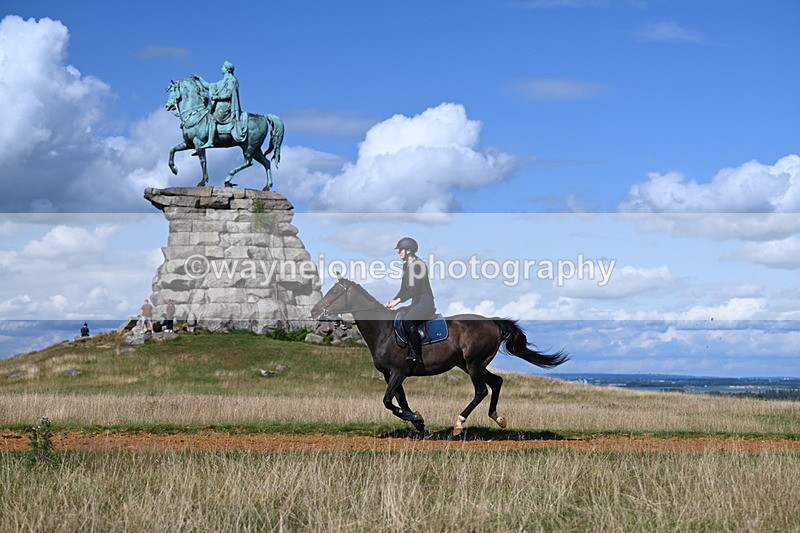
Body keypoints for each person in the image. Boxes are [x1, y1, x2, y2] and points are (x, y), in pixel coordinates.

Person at [385, 237, 436, 364]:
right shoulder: (406, 266)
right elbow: (403, 289)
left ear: (408, 250)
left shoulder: (418, 265)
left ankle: (417, 354)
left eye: (400, 250)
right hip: (416, 302)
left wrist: (398, 301)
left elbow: (415, 290)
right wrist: (393, 300)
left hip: (425, 302)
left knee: (408, 320)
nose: (399, 253)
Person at [192, 61, 246, 149]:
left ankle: (210, 141)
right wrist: (200, 79)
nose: (221, 68)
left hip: (225, 106)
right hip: (219, 105)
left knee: (211, 118)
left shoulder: (232, 80)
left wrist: (217, 97)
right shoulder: (222, 81)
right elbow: (209, 86)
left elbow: (229, 94)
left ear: (227, 69)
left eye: (223, 67)